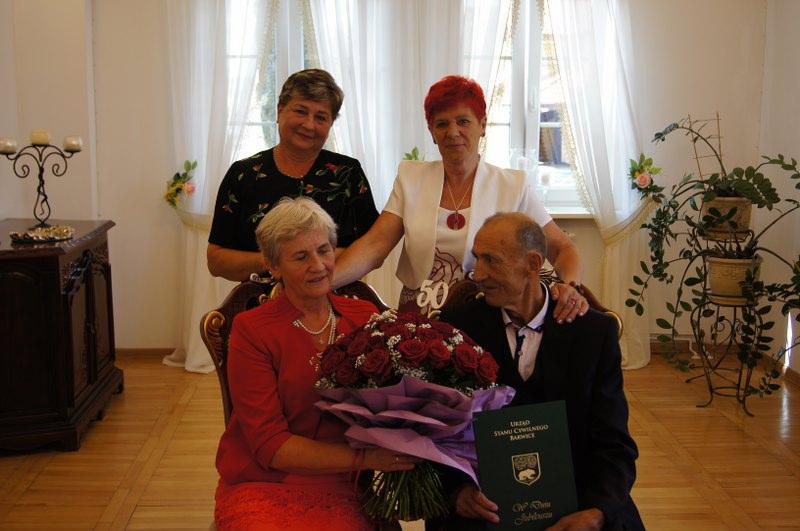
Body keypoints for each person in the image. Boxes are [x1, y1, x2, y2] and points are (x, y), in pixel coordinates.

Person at [214, 197, 416, 530]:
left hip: (347, 483)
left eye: (324, 250)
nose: (319, 265)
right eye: (301, 257)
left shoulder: (364, 318)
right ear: (273, 266)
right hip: (265, 481)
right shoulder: (252, 330)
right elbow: (270, 446)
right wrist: (366, 459)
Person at [433, 212, 643, 531]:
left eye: (492, 260)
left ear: (532, 263)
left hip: (578, 493)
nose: (479, 273)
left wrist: (597, 511)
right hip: (484, 500)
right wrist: (457, 491)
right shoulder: (459, 326)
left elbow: (613, 440)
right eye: (477, 258)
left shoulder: (591, 333)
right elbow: (440, 429)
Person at [334, 75, 587, 320]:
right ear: (432, 132)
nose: (453, 132)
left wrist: (570, 287)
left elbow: (562, 248)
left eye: (463, 121)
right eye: (442, 124)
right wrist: (323, 283)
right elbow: (374, 247)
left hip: (487, 316)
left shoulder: (512, 185)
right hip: (417, 318)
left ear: (482, 125)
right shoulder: (410, 179)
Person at [208, 69, 379, 281]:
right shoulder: (242, 175)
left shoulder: (348, 173)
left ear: (331, 124)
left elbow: (374, 249)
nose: (309, 125)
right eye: (300, 111)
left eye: (321, 117)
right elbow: (216, 261)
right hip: (261, 299)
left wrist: (301, 262)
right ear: (279, 111)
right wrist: (276, 260)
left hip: (335, 296)